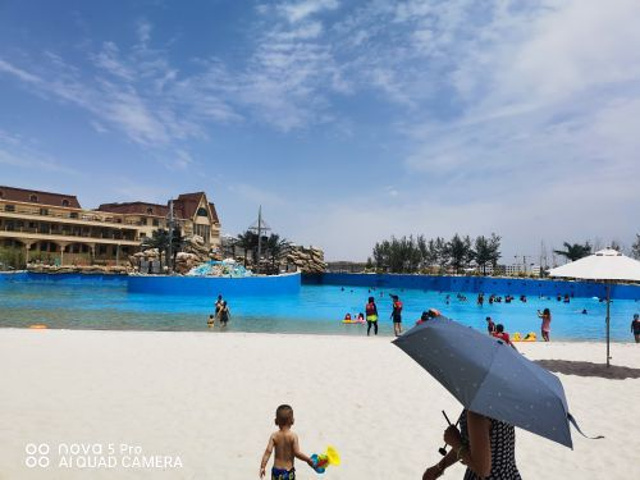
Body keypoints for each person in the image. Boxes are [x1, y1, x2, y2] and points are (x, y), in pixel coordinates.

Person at [422, 409, 521, 479]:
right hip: (510, 475)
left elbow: (483, 470)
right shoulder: (501, 404)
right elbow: (475, 445)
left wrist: (454, 442)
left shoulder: (477, 411)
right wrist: (439, 467)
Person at [259, 404, 314, 480]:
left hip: (276, 472)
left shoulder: (274, 436)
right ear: (292, 421)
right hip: (288, 473)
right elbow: (297, 453)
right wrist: (308, 460)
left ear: (276, 421)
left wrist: (262, 467)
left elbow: (268, 452)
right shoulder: (293, 436)